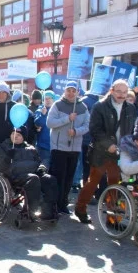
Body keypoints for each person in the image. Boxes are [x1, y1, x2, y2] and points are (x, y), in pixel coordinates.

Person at [75, 80, 136, 224]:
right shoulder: (100, 106)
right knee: (92, 183)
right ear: (112, 90)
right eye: (119, 91)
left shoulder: (131, 108)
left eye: (125, 92)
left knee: (115, 184)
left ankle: (112, 217)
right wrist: (109, 145)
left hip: (121, 151)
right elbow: (95, 129)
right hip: (101, 152)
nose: (122, 95)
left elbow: (131, 130)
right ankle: (80, 208)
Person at [0, 126, 58, 220]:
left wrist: (41, 168)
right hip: (15, 176)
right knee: (33, 179)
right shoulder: (3, 147)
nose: (15, 136)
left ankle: (48, 210)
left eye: (18, 135)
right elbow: (0, 167)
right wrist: (8, 157)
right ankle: (32, 210)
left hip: (33, 173)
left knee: (50, 179)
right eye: (13, 134)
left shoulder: (31, 148)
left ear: (23, 137)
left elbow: (39, 162)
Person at [46, 81, 90, 215]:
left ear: (78, 92)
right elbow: (50, 123)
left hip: (74, 148)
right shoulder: (57, 105)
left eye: (73, 90)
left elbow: (87, 126)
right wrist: (67, 119)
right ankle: (54, 204)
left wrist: (76, 131)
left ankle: (63, 204)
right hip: (58, 147)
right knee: (58, 177)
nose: (71, 93)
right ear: (64, 91)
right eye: (68, 90)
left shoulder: (83, 107)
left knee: (69, 178)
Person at [34, 90, 55, 169]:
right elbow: (38, 123)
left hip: (55, 146)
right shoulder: (40, 110)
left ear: (54, 100)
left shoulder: (57, 110)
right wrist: (43, 115)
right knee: (44, 168)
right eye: (46, 98)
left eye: (50, 98)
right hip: (43, 146)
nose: (48, 100)